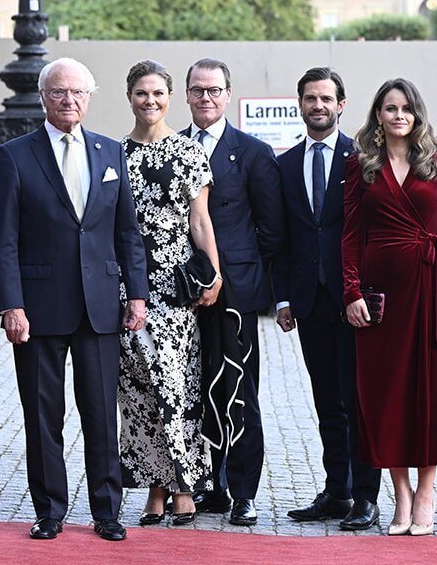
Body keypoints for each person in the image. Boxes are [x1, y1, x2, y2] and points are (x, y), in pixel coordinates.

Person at [0, 57, 149, 542]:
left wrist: (136, 294)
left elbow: (128, 232)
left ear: (90, 97)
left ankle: (107, 511)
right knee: (43, 416)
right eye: (59, 92)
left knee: (101, 415)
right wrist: (11, 304)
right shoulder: (15, 155)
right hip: (38, 309)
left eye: (78, 92)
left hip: (100, 305)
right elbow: (4, 239)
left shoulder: (110, 152)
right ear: (43, 97)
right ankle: (50, 511)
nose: (69, 101)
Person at [342, 78, 437, 536]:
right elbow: (351, 235)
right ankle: (401, 495)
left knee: (430, 392)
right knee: (384, 395)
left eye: (406, 108)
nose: (398, 115)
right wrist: (352, 291)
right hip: (381, 299)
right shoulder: (362, 166)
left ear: (417, 115)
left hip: (432, 292)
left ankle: (428, 493)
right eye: (390, 108)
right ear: (378, 115)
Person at [272, 67, 381, 530]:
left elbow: (375, 234)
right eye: (310, 99)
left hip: (353, 302)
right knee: (327, 403)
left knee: (360, 402)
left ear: (341, 105)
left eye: (326, 99)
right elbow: (280, 238)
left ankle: (365, 497)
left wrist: (366, 294)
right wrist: (282, 299)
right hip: (309, 301)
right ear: (300, 105)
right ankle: (336, 491)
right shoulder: (284, 164)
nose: (318, 106)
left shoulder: (363, 161)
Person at [181, 58, 285, 526]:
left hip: (235, 294)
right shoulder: (172, 147)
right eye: (198, 90)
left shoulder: (253, 153)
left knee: (238, 390)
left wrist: (239, 274)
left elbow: (271, 229)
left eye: (214, 90)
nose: (206, 98)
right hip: (179, 292)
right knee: (194, 388)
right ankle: (209, 484)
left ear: (228, 95)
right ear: (186, 95)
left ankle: (243, 490)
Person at [116, 60, 221, 526]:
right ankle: (153, 487)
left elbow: (200, 220)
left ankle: (183, 486)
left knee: (177, 387)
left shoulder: (188, 152)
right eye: (142, 93)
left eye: (158, 93)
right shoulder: (113, 154)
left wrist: (213, 273)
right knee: (137, 390)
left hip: (175, 288)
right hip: (127, 286)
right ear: (129, 97)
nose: (150, 101)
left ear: (170, 97)